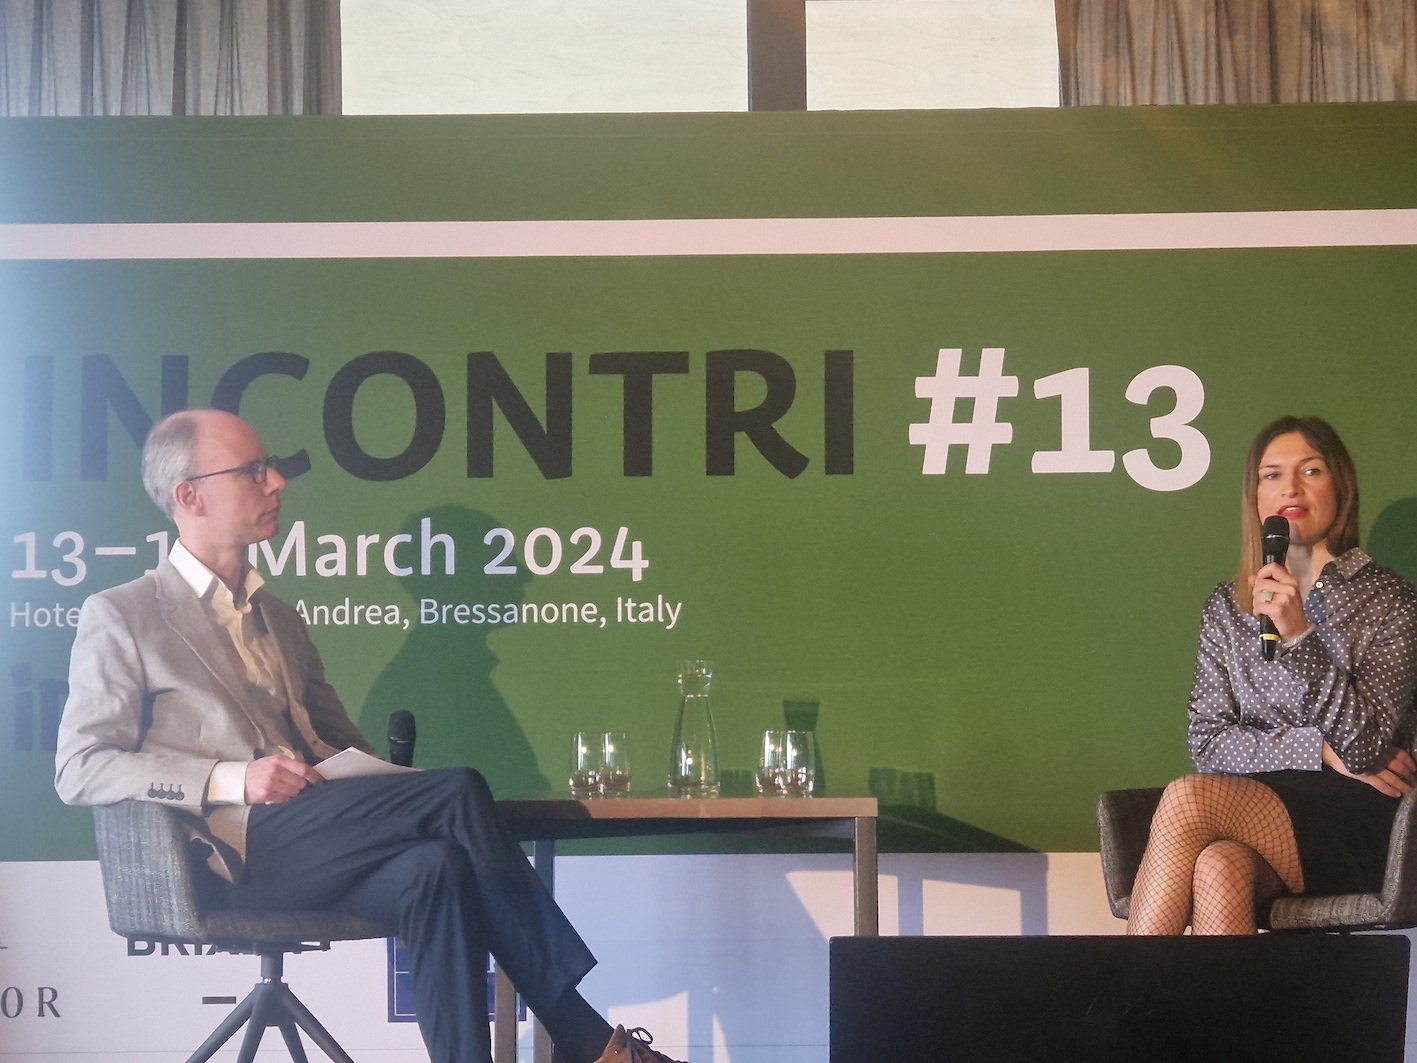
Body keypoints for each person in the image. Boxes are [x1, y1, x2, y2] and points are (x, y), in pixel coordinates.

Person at [55, 409, 682, 1063]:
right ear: (190, 495)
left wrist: (362, 775)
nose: (277, 483)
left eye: (272, 469)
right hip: (229, 853)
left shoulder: (281, 619)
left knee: (437, 868)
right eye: (253, 471)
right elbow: (81, 765)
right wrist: (234, 778)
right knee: (457, 790)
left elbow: (342, 745)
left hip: (316, 834)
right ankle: (582, 1035)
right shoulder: (124, 614)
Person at [1127, 416, 1417, 935]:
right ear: (1255, 496)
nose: (1290, 488)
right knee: (1218, 866)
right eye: (1272, 475)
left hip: (1360, 822)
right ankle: (1210, 997)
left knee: (1189, 798)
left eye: (1311, 471)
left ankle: (1129, 987)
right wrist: (1316, 749)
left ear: (1340, 487)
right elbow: (1208, 743)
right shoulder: (1227, 605)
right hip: (1254, 811)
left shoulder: (1391, 601)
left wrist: (1300, 636)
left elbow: (1366, 750)